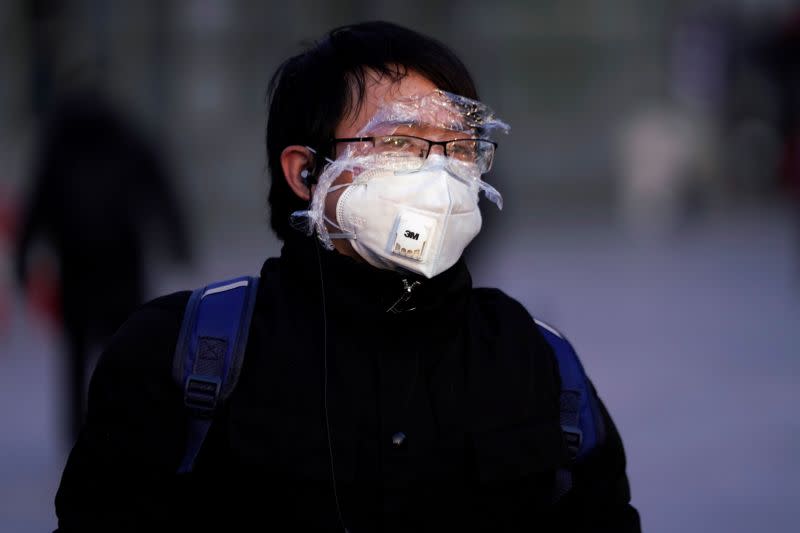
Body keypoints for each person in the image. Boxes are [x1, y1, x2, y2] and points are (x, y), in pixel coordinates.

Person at [53, 21, 640, 532]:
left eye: (459, 146)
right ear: (306, 172)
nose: (439, 175)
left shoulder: (534, 360)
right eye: (401, 142)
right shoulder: (184, 356)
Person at [15, 89, 191, 445]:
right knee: (126, 348)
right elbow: (161, 190)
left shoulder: (60, 149)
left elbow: (36, 206)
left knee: (77, 355)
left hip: (77, 267)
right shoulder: (126, 140)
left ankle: (77, 432)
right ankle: (123, 422)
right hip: (121, 266)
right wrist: (178, 241)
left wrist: (24, 259)